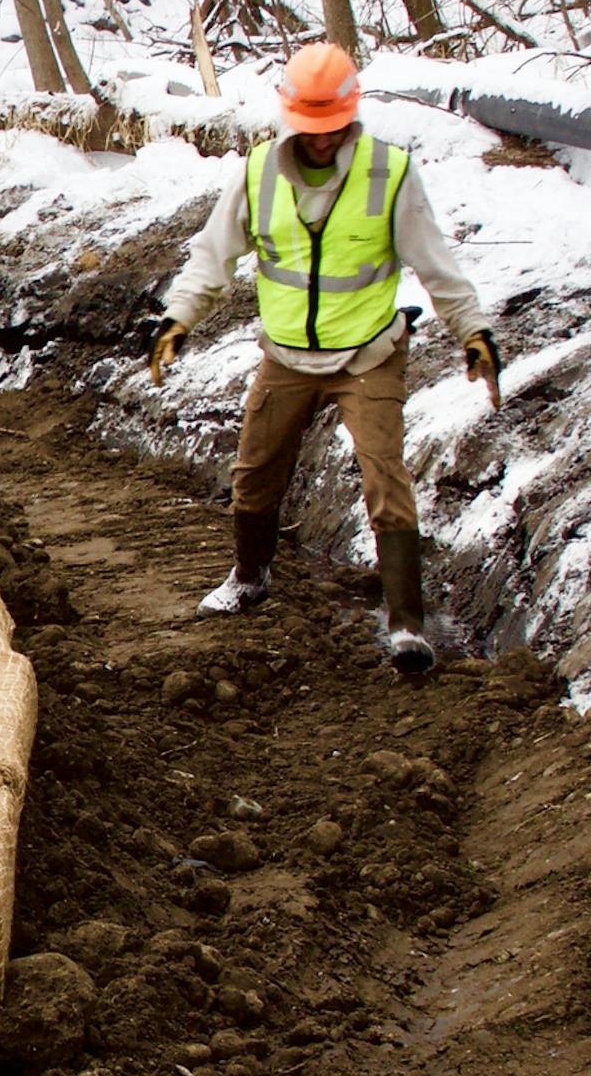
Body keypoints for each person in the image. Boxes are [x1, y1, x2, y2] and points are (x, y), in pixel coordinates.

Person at [148, 39, 502, 674]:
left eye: (331, 127)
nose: (320, 140)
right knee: (254, 474)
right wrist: (179, 317)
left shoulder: (390, 173)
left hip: (369, 352)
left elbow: (437, 266)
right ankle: (251, 576)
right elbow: (213, 255)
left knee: (384, 479)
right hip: (285, 355)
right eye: (310, 127)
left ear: (350, 115)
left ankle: (406, 627)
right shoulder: (258, 173)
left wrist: (472, 330)